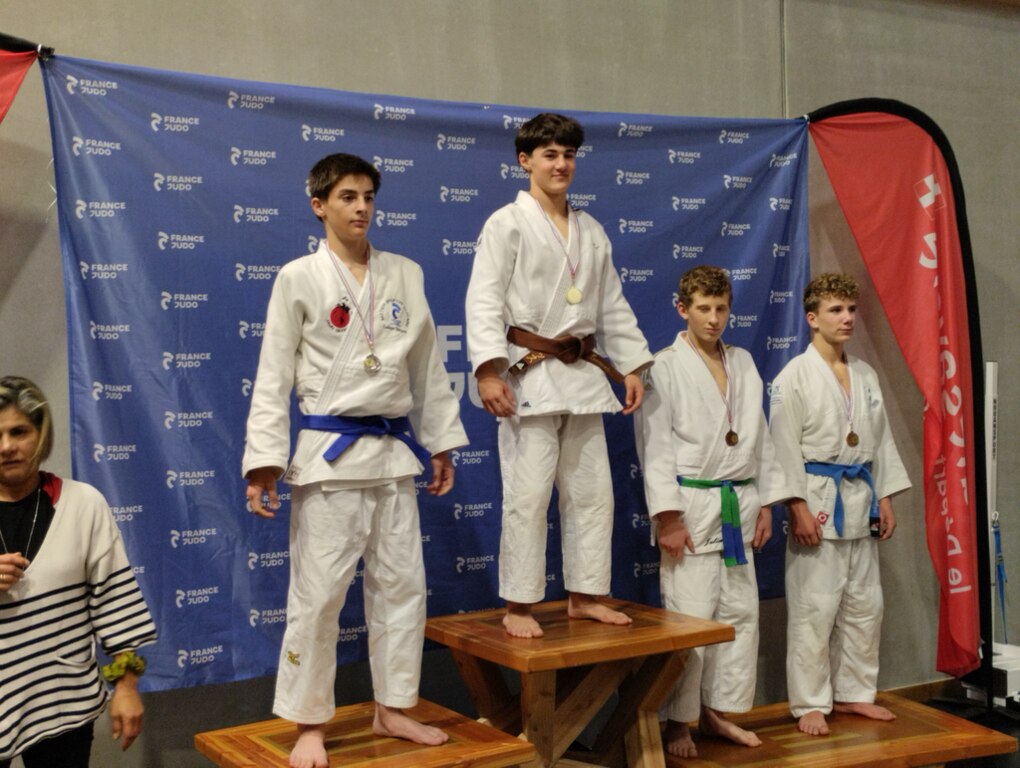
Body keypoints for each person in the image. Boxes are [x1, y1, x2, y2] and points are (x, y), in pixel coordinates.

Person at [243, 153, 468, 768]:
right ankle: (310, 721)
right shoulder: (298, 277)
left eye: (368, 196)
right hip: (329, 459)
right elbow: (272, 374)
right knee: (318, 596)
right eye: (347, 196)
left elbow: (426, 367)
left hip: (392, 455)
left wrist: (440, 441)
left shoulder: (405, 274)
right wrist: (264, 461)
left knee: (402, 588)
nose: (361, 207)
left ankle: (393, 706)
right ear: (319, 205)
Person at [465, 112, 653, 639]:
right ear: (525, 161)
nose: (561, 164)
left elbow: (611, 304)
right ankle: (519, 603)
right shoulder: (506, 224)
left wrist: (630, 365)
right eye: (550, 155)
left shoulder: (591, 230)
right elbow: (483, 301)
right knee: (527, 497)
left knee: (593, 493)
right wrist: (488, 371)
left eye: (569, 155)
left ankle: (585, 596)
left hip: (583, 377)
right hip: (530, 377)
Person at [635, 266, 787, 758]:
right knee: (690, 618)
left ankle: (718, 712)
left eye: (721, 308)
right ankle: (678, 721)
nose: (714, 318)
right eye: (703, 308)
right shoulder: (663, 367)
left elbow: (761, 439)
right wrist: (668, 517)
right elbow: (654, 447)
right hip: (693, 506)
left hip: (739, 502)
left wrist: (766, 503)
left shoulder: (743, 362)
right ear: (683, 309)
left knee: (739, 615)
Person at [769, 273, 911, 736]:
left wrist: (884, 497)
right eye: (835, 310)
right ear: (812, 318)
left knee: (865, 604)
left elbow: (880, 441)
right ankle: (810, 701)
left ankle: (853, 693)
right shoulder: (794, 376)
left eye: (851, 309)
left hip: (860, 496)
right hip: (817, 496)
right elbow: (782, 447)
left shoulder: (866, 374)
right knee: (814, 607)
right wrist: (796, 507)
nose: (847, 318)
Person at [0, 375, 157, 767]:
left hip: (63, 701)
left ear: (41, 434)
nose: (6, 447)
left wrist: (126, 685)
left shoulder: (83, 504)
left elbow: (114, 601)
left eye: (19, 431)